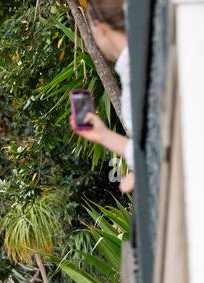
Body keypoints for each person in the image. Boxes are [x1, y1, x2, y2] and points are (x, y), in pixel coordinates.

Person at [71, 0, 135, 194]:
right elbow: (152, 147)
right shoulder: (137, 64)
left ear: (99, 28)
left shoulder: (137, 71)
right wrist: (103, 135)